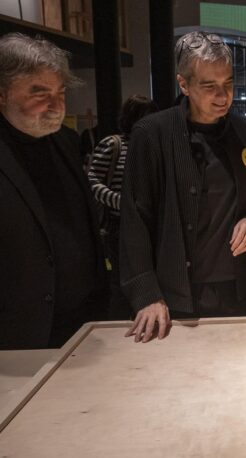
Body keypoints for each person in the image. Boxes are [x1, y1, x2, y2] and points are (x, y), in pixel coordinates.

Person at [120, 31, 246, 342]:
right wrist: (147, 293)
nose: (223, 96)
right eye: (209, 86)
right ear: (184, 85)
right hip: (172, 291)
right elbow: (134, 220)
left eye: (228, 84)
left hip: (232, 287)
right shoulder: (152, 134)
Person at [0, 33, 107, 349]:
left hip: (79, 324)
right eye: (40, 93)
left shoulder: (65, 141)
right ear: (2, 94)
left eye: (60, 92)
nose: (56, 105)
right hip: (17, 334)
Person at [87, 95, 158, 320]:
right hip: (119, 225)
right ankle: (119, 323)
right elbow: (92, 181)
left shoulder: (154, 146)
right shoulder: (113, 144)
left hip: (149, 224)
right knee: (122, 281)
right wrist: (121, 203)